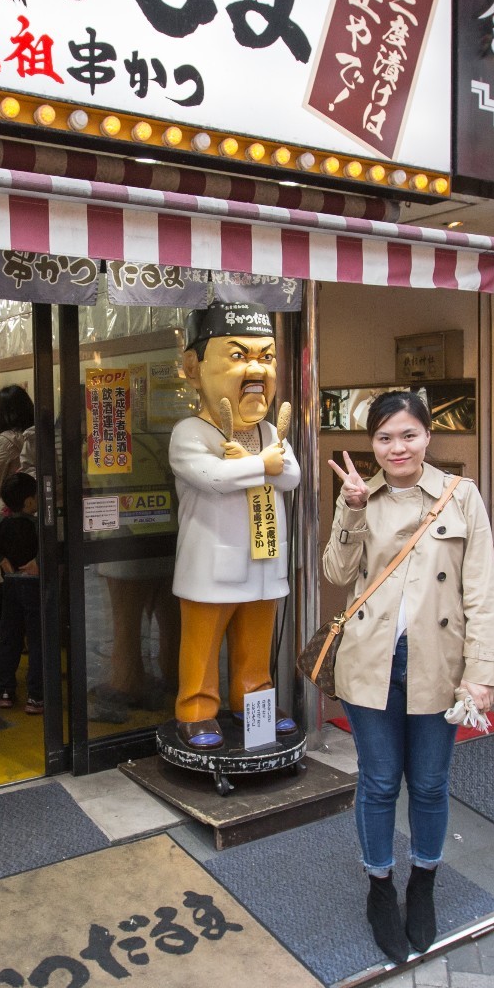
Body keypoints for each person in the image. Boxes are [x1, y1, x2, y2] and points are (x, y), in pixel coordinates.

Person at [322, 390, 494, 965]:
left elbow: (480, 591)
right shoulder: (359, 496)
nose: (396, 447)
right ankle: (379, 887)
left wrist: (482, 671)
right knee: (377, 782)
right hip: (372, 662)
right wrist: (349, 509)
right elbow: (335, 572)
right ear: (371, 443)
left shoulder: (462, 497)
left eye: (407, 435)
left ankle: (422, 881)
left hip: (438, 664)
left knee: (428, 783)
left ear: (428, 437)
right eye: (383, 437)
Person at [168, 302, 300, 750]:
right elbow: (213, 478)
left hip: (265, 560)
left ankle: (255, 703)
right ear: (193, 367)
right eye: (239, 356)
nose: (256, 371)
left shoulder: (268, 430)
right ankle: (197, 710)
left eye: (266, 357)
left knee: (257, 643)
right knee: (203, 643)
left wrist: (263, 464)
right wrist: (264, 465)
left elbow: (293, 475)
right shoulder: (191, 432)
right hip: (212, 565)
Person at [0, 472, 44, 714]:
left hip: (10, 586)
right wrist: (38, 562)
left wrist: (0, 560)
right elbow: (51, 549)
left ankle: (5, 690)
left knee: (9, 638)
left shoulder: (0, 525)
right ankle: (35, 696)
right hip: (34, 587)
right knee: (37, 641)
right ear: (28, 503)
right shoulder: (38, 526)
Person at [0, 384, 37, 511]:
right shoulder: (34, 435)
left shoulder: (5, 440)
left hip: (11, 507)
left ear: (5, 414)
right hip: (33, 505)